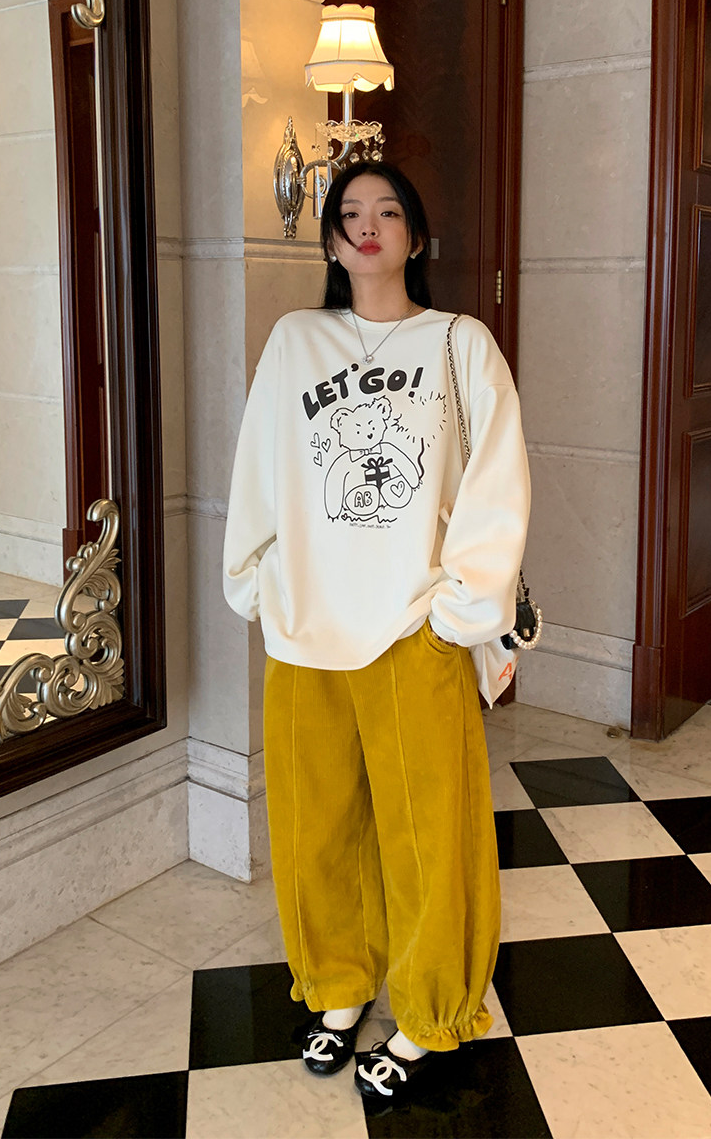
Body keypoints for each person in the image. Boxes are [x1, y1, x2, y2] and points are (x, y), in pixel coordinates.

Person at [222, 159, 531, 1102]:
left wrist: (458, 615)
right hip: (304, 631)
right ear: (328, 240)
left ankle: (432, 1013)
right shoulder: (294, 340)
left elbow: (496, 481)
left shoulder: (459, 343)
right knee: (315, 829)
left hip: (411, 628)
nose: (368, 226)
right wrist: (261, 582)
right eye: (350, 213)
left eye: (389, 211)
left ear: (416, 236)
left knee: (429, 833)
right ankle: (338, 990)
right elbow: (258, 466)